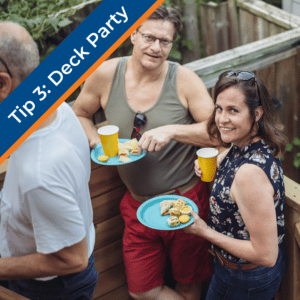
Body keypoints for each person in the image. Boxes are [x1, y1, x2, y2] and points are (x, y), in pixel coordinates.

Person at [73, 4, 216, 300]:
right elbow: (80, 114)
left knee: (189, 285)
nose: (156, 47)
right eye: (149, 37)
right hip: (136, 205)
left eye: (165, 41)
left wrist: (172, 130)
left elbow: (217, 133)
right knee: (142, 291)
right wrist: (94, 141)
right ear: (133, 35)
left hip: (185, 202)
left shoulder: (185, 80)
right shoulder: (105, 74)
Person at [0, 21, 98, 299]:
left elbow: (73, 259)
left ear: (3, 83)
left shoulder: (40, 174)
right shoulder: (53, 108)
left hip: (49, 287)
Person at [184, 70, 288, 300]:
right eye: (219, 108)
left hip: (244, 279)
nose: (222, 119)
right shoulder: (250, 143)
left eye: (233, 110)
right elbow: (233, 156)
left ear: (257, 113)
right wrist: (214, 163)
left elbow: (266, 254)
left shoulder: (249, 174)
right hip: (242, 273)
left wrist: (204, 231)